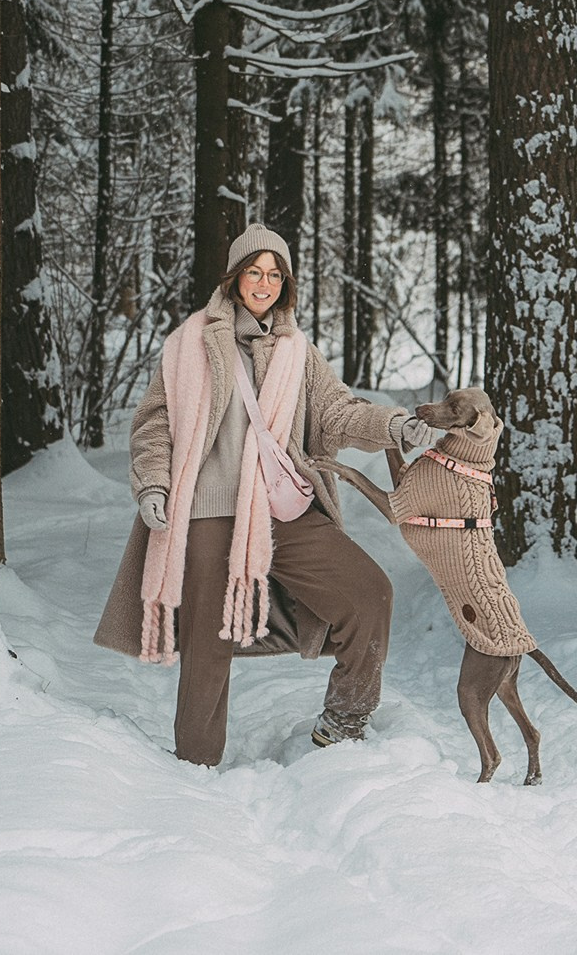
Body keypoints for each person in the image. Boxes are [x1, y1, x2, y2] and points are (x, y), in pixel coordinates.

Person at [94, 224, 437, 766]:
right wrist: (153, 484)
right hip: (207, 507)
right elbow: (154, 424)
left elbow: (337, 413)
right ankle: (195, 764)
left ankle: (345, 720)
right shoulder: (190, 343)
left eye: (275, 274)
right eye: (254, 271)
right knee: (207, 643)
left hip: (278, 506)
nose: (265, 282)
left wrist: (392, 427)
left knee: (370, 593)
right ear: (234, 279)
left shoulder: (297, 352)